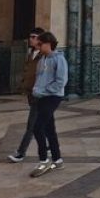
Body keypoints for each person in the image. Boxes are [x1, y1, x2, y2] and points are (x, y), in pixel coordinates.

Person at [30, 31, 68, 177]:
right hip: (41, 96)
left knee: (37, 127)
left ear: (48, 43)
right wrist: (36, 90)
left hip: (52, 96)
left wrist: (45, 90)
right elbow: (39, 78)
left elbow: (61, 81)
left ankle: (43, 160)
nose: (38, 46)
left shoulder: (59, 59)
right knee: (49, 128)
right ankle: (57, 159)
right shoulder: (42, 59)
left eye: (40, 44)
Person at [8, 27, 45, 163]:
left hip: (40, 94)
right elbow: (27, 71)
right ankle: (49, 148)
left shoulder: (45, 54)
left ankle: (21, 152)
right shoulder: (31, 53)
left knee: (32, 125)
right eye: (30, 36)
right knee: (43, 124)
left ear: (40, 38)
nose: (31, 39)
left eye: (34, 37)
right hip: (31, 92)